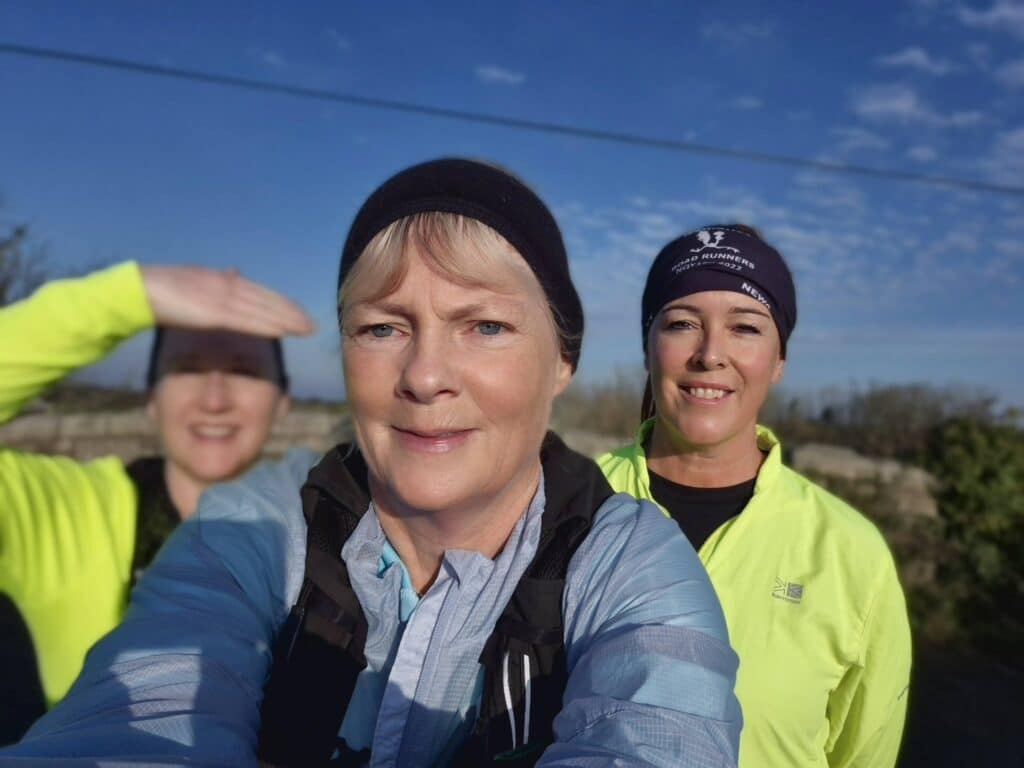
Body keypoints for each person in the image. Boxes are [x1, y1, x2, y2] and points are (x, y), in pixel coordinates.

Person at [4, 159, 743, 767]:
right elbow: (139, 721)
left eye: (485, 325)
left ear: (562, 361)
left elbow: (655, 736)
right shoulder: (254, 528)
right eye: (383, 326)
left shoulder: (630, 566)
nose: (425, 374)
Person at [598, 225, 912, 767]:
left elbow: (865, 753)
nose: (711, 354)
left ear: (780, 359)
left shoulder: (850, 553)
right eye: (681, 324)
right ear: (649, 345)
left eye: (745, 328)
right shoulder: (563, 504)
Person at [0, 261, 314, 743]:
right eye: (187, 369)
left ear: (283, 400)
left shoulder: (328, 524)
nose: (214, 399)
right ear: (151, 398)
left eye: (245, 371)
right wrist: (126, 296)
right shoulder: (61, 509)